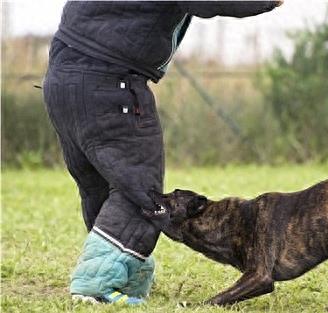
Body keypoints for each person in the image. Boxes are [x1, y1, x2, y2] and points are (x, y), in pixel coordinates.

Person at [43, 1, 282, 305]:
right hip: (111, 84)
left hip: (62, 79)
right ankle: (96, 286)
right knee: (142, 191)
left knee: (99, 184)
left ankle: (128, 275)